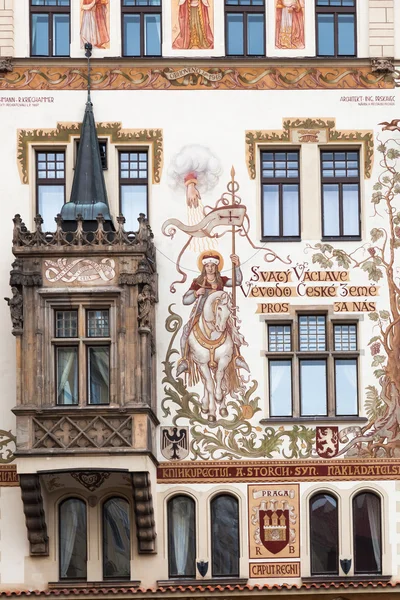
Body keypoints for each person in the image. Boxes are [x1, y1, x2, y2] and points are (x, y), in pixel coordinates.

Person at [176, 252, 248, 376]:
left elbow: (237, 282)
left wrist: (237, 266)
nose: (210, 268)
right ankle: (184, 360)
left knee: (232, 331)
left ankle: (237, 357)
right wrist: (196, 293)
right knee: (186, 331)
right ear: (204, 267)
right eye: (207, 265)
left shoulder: (221, 280)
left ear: (216, 267)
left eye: (213, 265)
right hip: (201, 312)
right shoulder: (198, 282)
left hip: (219, 314)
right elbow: (185, 300)